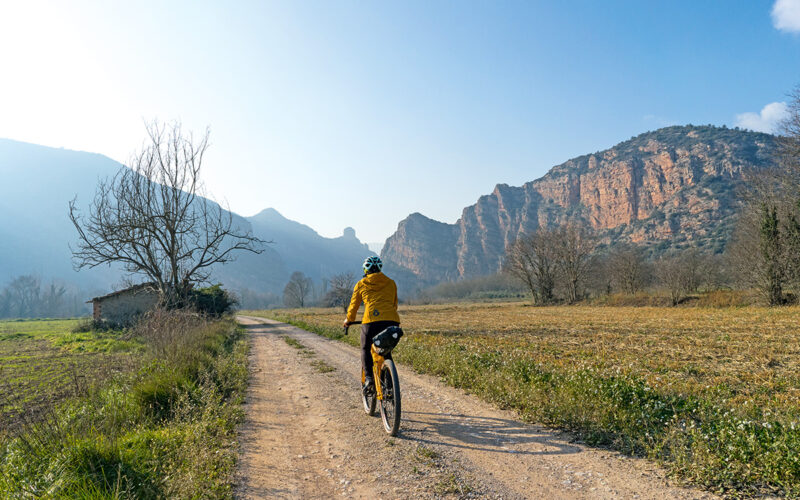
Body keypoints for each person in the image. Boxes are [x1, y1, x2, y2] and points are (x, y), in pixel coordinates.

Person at [343, 256, 400, 395]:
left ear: (365, 269)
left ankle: (369, 379)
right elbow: (394, 304)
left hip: (371, 321)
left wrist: (348, 320)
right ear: (380, 268)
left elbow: (353, 306)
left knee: (365, 348)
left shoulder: (361, 283)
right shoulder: (391, 283)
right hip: (392, 321)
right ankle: (390, 388)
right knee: (386, 351)